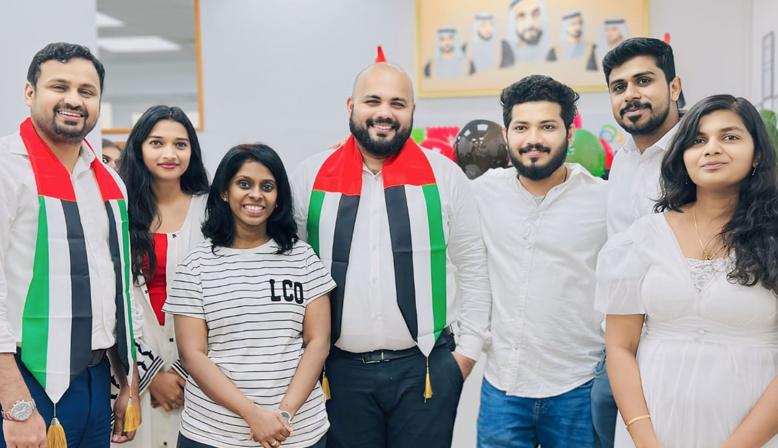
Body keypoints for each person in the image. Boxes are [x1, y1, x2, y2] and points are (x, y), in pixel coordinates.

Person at [290, 61, 489, 448]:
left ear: (412, 111)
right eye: (373, 101)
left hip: (427, 369)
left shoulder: (445, 176)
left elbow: (473, 268)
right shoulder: (309, 177)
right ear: (351, 106)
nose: (384, 112)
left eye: (397, 103)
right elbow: (289, 267)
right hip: (336, 371)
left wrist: (465, 355)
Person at [598, 94, 778, 447]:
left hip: (752, 432)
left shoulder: (773, 237)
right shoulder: (641, 238)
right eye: (698, 140)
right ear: (682, 154)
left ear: (757, 153)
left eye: (729, 137)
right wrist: (645, 440)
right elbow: (619, 348)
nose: (712, 148)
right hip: (652, 429)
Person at [0, 42, 139, 448]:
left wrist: (125, 381)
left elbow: (115, 287)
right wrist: (14, 402)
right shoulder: (7, 169)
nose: (74, 100)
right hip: (25, 375)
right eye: (59, 87)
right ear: (30, 93)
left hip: (95, 376)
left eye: (86, 91)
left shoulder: (108, 180)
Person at [165, 144, 335, 448]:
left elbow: (318, 342)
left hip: (297, 432)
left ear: (278, 197)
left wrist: (283, 414)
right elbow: (193, 355)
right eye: (244, 184)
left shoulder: (303, 258)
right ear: (224, 192)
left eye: (267, 187)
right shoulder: (195, 266)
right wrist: (253, 415)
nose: (256, 194)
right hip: (213, 435)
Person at [473, 75, 607, 447]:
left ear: (569, 132)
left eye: (547, 126)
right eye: (521, 128)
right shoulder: (481, 193)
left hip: (578, 387)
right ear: (506, 134)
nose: (533, 139)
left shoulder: (605, 200)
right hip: (503, 387)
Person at [591, 37, 683, 448]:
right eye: (619, 87)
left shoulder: (698, 154)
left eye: (643, 81)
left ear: (674, 87)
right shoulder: (623, 158)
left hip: (676, 343)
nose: (630, 94)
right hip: (617, 345)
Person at [114, 105, 209, 448]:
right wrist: (151, 374)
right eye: (157, 143)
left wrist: (183, 371)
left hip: (203, 370)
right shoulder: (118, 209)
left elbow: (226, 294)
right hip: (132, 371)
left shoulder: (213, 210)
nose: (170, 154)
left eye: (180, 144)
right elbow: (112, 296)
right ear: (138, 148)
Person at [500, 0, 552, 67]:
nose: (530, 23)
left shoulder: (554, 54)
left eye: (536, 14)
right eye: (521, 16)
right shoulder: (505, 56)